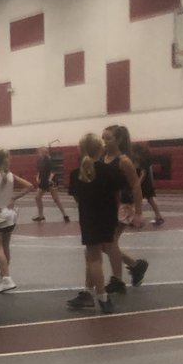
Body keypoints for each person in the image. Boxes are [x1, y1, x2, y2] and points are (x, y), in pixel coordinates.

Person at [66, 133, 126, 314]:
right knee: (96, 255)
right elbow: (118, 195)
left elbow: (77, 198)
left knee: (93, 259)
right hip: (107, 217)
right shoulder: (111, 171)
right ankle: (89, 292)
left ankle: (102, 297)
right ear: (101, 149)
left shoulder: (76, 174)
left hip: (89, 218)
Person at [0, 148, 35, 293]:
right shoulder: (9, 174)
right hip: (10, 215)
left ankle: (7, 278)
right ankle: (1, 277)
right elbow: (30, 186)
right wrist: (13, 198)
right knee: (5, 247)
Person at [102, 124, 147, 293]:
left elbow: (136, 186)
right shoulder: (102, 157)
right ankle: (135, 266)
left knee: (110, 242)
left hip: (123, 205)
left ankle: (117, 279)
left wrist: (139, 213)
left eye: (108, 138)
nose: (104, 142)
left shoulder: (124, 161)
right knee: (104, 246)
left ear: (119, 140)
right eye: (103, 138)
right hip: (106, 205)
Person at [32, 146, 71, 223]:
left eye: (42, 152)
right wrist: (37, 178)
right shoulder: (39, 160)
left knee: (56, 199)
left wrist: (49, 179)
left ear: (45, 152)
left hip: (51, 181)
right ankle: (41, 216)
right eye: (40, 152)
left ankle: (65, 215)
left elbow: (52, 171)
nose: (40, 153)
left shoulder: (49, 160)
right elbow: (39, 171)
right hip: (43, 181)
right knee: (37, 197)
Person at [131, 143, 166, 226]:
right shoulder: (136, 160)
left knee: (137, 201)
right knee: (150, 200)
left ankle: (137, 219)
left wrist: (138, 183)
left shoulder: (142, 161)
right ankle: (158, 216)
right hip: (146, 184)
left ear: (136, 152)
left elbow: (143, 173)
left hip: (144, 184)